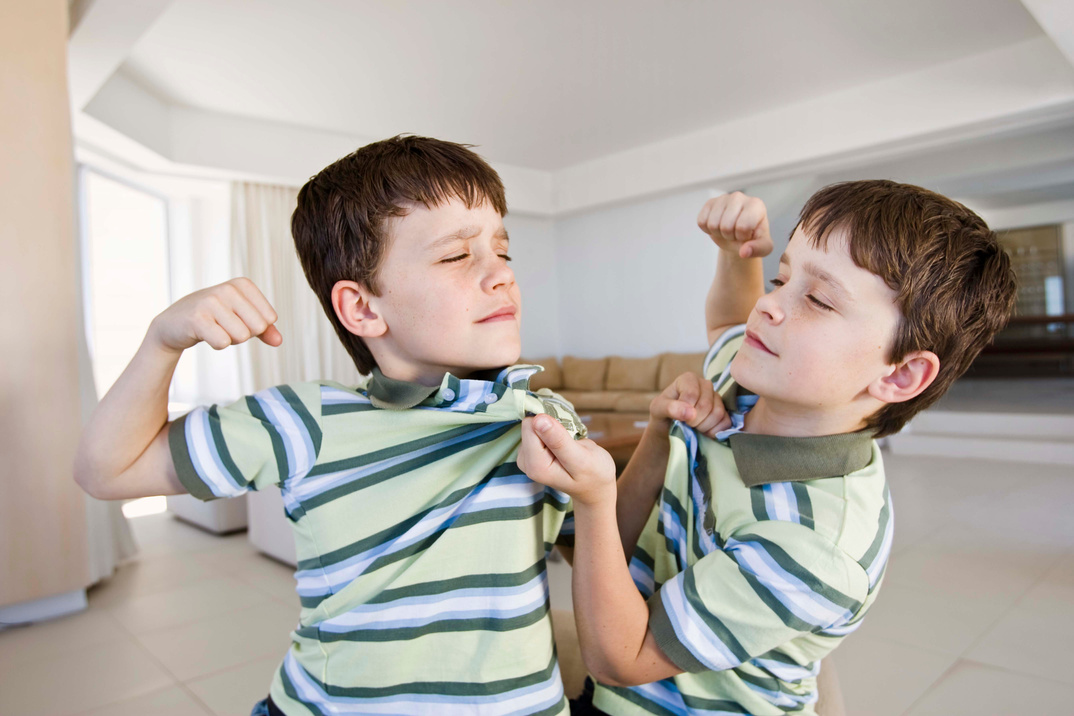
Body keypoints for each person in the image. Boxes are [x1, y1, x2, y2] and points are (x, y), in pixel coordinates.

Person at [75, 135, 587, 715]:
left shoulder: (544, 423)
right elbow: (105, 471)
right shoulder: (305, 421)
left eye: (503, 252)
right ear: (363, 308)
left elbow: (618, 576)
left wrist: (601, 491)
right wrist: (161, 342)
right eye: (456, 255)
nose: (501, 276)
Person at [517, 182, 1017, 715]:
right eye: (781, 277)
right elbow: (729, 323)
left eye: (819, 299)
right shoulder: (745, 380)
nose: (768, 305)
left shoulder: (814, 545)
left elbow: (622, 657)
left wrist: (594, 500)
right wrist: (737, 255)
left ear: (902, 374)